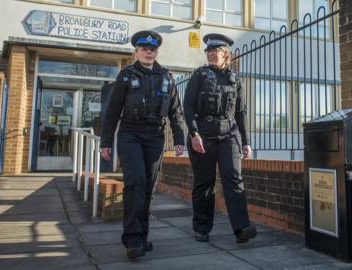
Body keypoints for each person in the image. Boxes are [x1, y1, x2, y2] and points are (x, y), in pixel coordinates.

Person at [100, 30, 185, 259]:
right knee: (135, 182)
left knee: (147, 187)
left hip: (155, 137)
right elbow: (112, 111)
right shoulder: (126, 75)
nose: (148, 52)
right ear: (136, 51)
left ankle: (142, 236)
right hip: (130, 135)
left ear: (156, 52)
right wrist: (106, 142)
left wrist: (179, 139)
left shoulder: (167, 76)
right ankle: (132, 239)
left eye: (152, 49)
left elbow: (176, 111)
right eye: (144, 49)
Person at [183, 33, 257, 244]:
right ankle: (201, 228)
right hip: (203, 135)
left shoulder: (235, 79)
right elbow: (187, 107)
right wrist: (193, 133)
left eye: (215, 51)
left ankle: (242, 228)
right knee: (204, 183)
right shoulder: (199, 75)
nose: (211, 55)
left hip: (229, 134)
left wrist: (246, 142)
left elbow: (241, 113)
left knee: (234, 179)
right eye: (208, 51)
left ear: (226, 54)